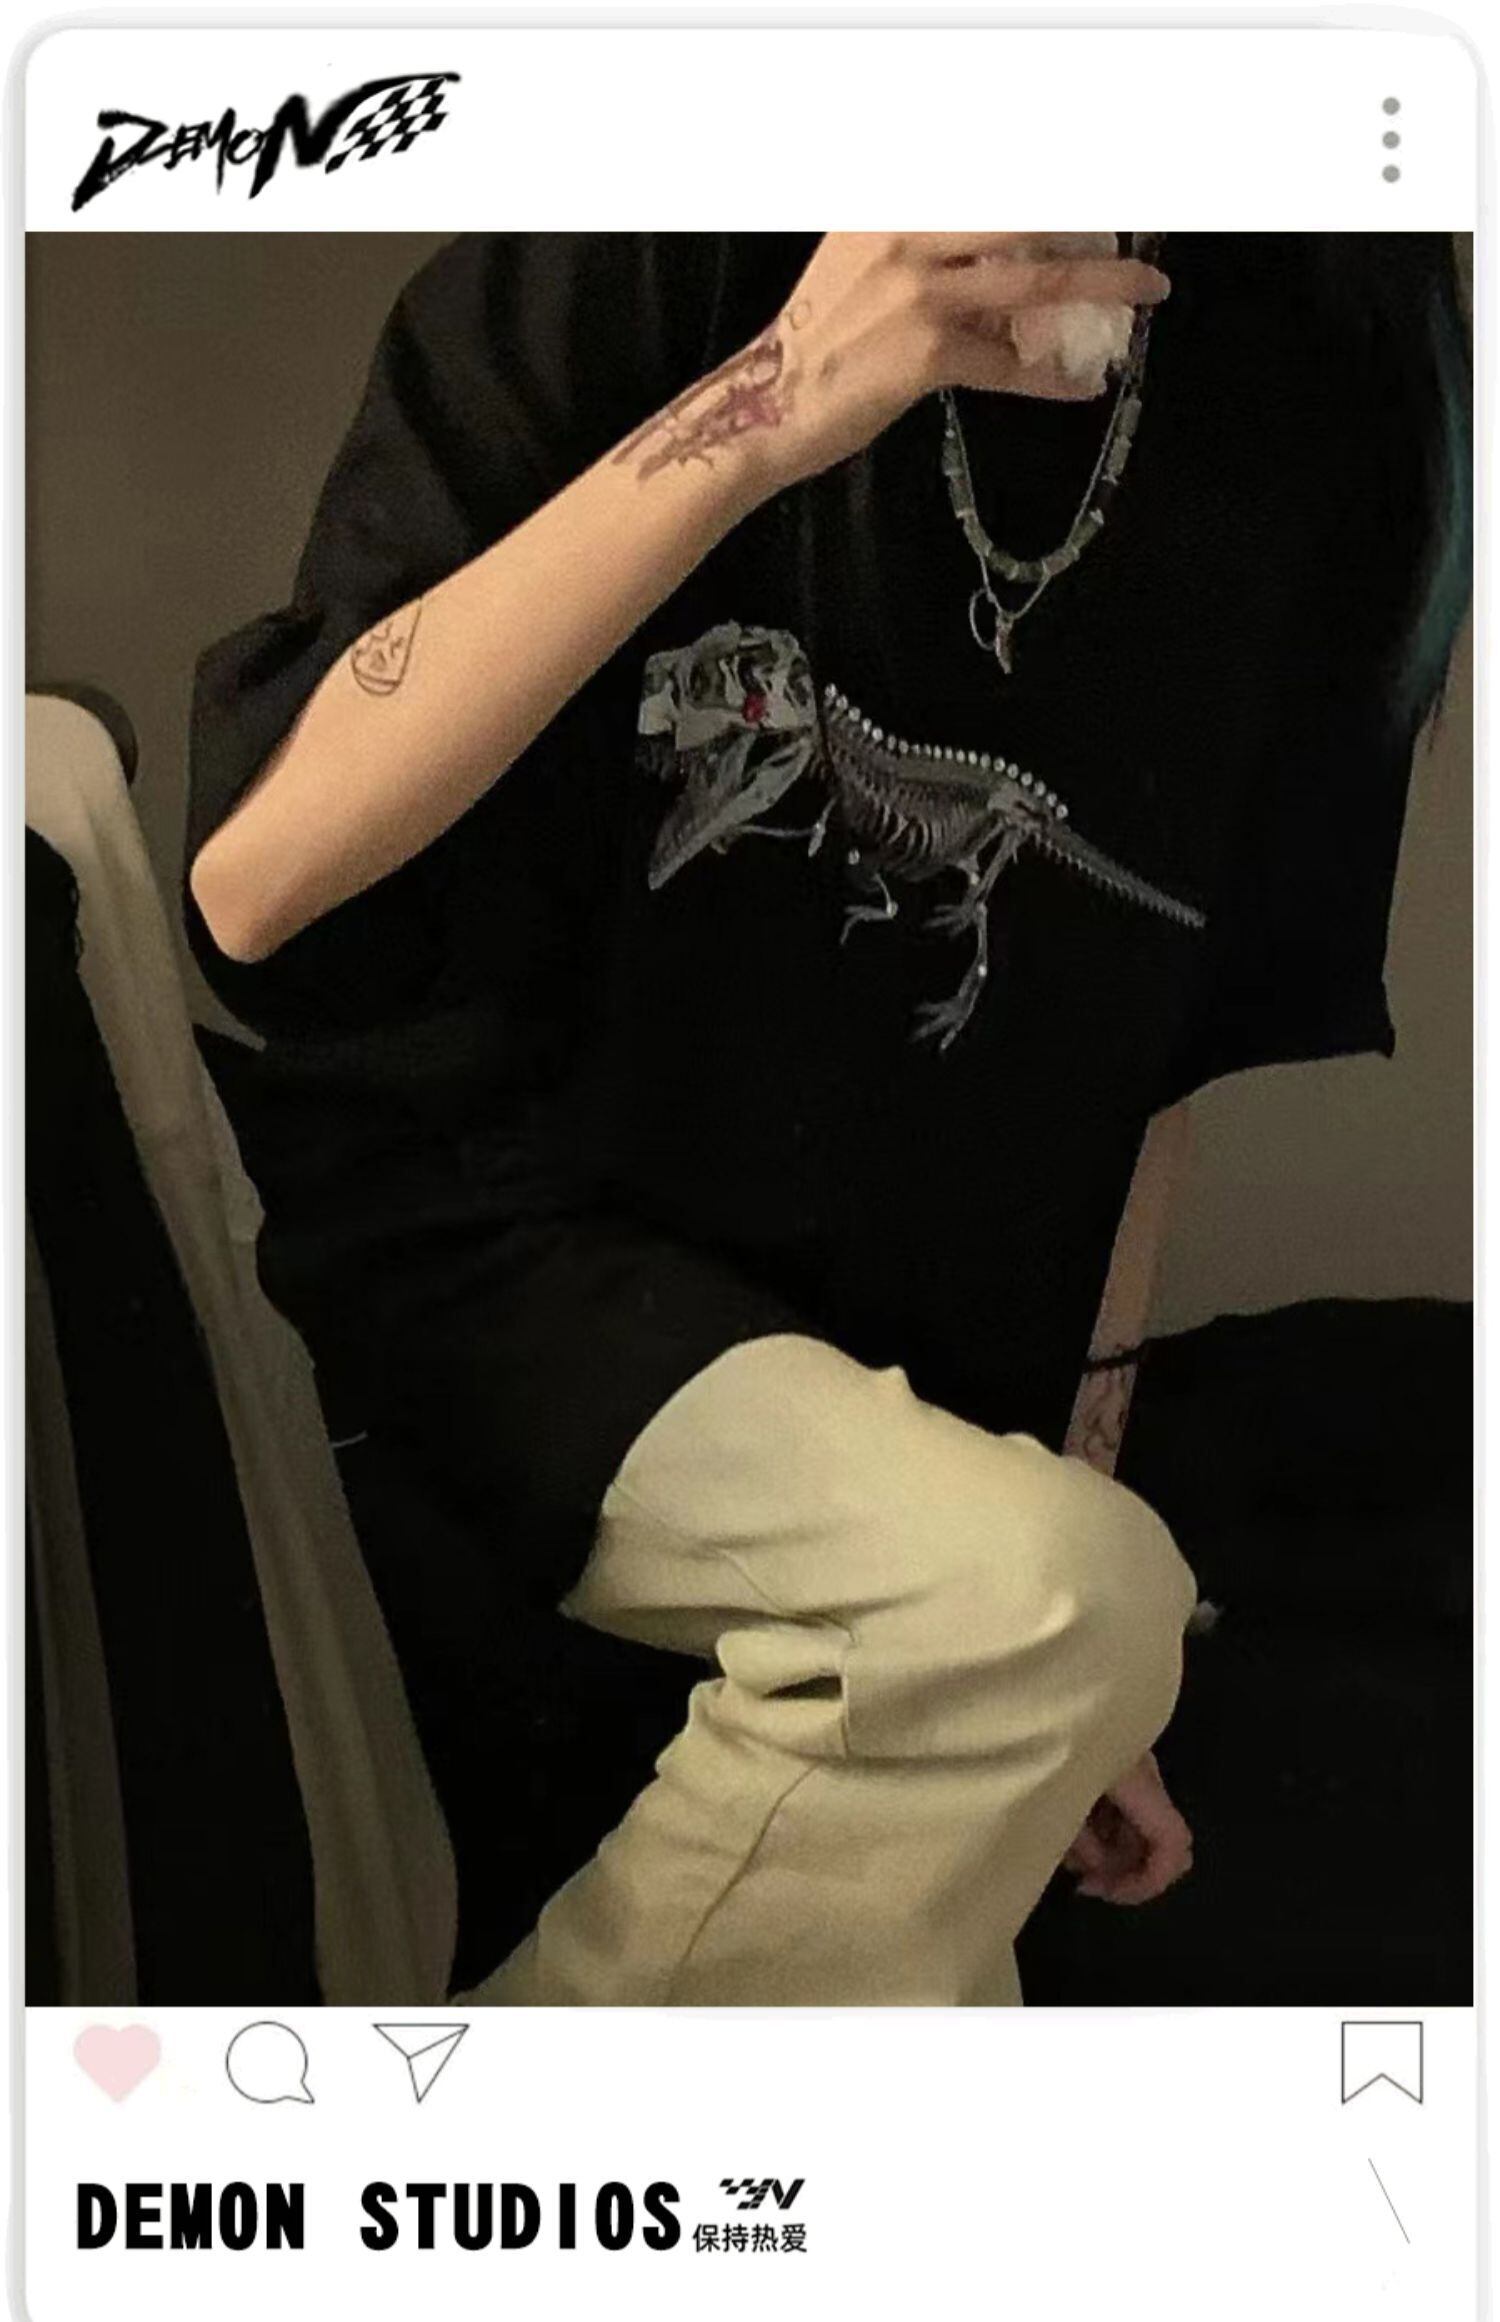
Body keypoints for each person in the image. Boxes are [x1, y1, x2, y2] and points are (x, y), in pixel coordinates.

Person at [184, 232, 1470, 2005]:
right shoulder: (662, 230)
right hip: (497, 1247)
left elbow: (1164, 1043)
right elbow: (259, 874)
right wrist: (785, 398)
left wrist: (1071, 1632)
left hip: (916, 1420)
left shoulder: (1342, 392)